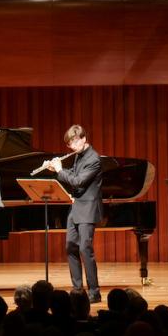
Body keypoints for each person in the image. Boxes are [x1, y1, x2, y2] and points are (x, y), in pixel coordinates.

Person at [41, 124, 103, 303]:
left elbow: (78, 181)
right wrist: (55, 170)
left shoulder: (94, 159)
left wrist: (60, 170)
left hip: (88, 209)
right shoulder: (78, 155)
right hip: (76, 207)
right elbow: (74, 175)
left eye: (75, 142)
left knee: (85, 249)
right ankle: (77, 290)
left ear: (84, 139)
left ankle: (94, 292)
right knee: (70, 247)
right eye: (70, 144)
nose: (72, 146)